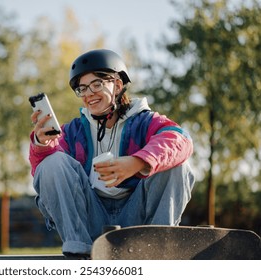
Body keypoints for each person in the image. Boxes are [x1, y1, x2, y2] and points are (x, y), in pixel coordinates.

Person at [29, 49, 195, 259]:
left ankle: (158, 249)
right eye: (82, 88)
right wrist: (42, 145)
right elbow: (44, 175)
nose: (89, 93)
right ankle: (78, 251)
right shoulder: (72, 131)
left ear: (117, 85)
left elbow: (181, 139)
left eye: (97, 84)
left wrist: (137, 162)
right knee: (51, 163)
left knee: (177, 164)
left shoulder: (145, 121)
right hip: (90, 217)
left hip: (137, 217)